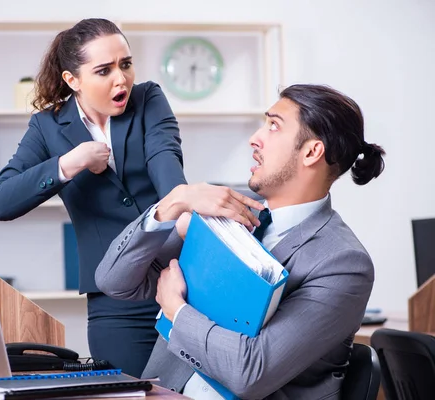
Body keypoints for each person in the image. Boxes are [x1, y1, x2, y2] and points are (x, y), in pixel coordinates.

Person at [95, 83, 386, 399]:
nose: (255, 138)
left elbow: (251, 372)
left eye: (274, 126)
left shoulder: (343, 262)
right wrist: (171, 204)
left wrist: (176, 309)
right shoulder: (228, 208)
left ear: (312, 152)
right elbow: (114, 281)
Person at [0, 18, 188, 377]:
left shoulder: (148, 99)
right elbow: (2, 200)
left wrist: (180, 203)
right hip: (114, 300)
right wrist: (69, 162)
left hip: (181, 278)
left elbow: (165, 160)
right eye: (104, 70)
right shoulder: (48, 127)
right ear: (72, 80)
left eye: (125, 64)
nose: (121, 79)